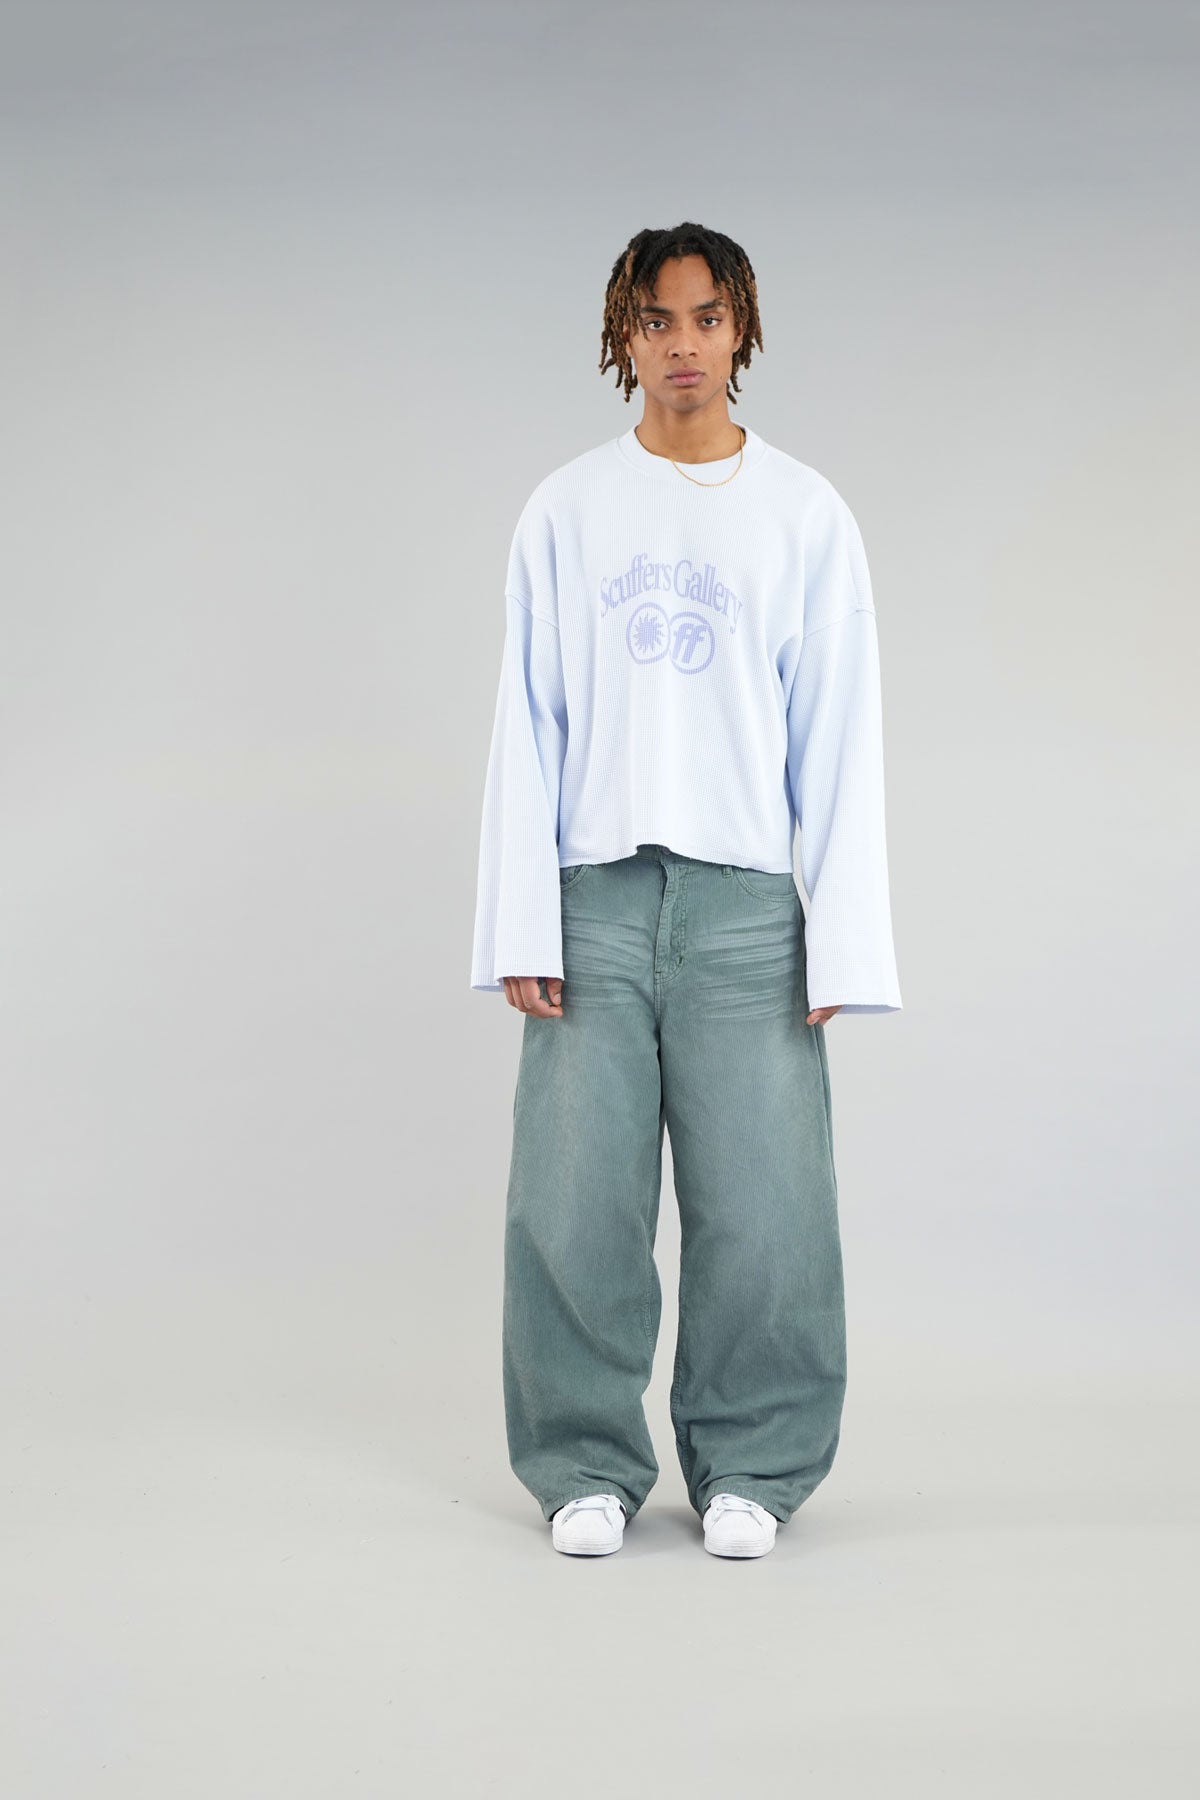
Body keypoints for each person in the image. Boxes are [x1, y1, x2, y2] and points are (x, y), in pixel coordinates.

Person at [470, 222, 902, 1560]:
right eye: (657, 320)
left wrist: (843, 940)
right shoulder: (567, 509)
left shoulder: (805, 514)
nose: (683, 345)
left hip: (748, 910)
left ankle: (752, 1468)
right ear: (625, 334)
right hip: (594, 901)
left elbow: (840, 731)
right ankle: (583, 1464)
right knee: (573, 1205)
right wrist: (521, 920)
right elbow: (526, 723)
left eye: (707, 318)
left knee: (769, 1208)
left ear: (741, 329)